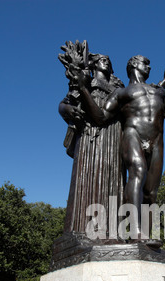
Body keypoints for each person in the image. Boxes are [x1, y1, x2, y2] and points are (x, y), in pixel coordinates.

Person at [79, 55, 165, 241]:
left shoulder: (159, 92)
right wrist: (83, 89)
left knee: (151, 192)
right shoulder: (121, 93)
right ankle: (135, 230)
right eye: (144, 63)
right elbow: (101, 117)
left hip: (157, 140)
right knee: (137, 174)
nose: (148, 66)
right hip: (133, 135)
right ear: (133, 64)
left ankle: (147, 235)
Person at [59, 50, 125, 236]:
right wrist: (68, 110)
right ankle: (81, 230)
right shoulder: (85, 81)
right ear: (94, 63)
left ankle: (113, 232)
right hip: (89, 135)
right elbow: (64, 103)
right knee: (86, 177)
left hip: (113, 136)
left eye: (108, 60)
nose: (105, 62)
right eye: (102, 60)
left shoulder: (118, 86)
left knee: (113, 180)